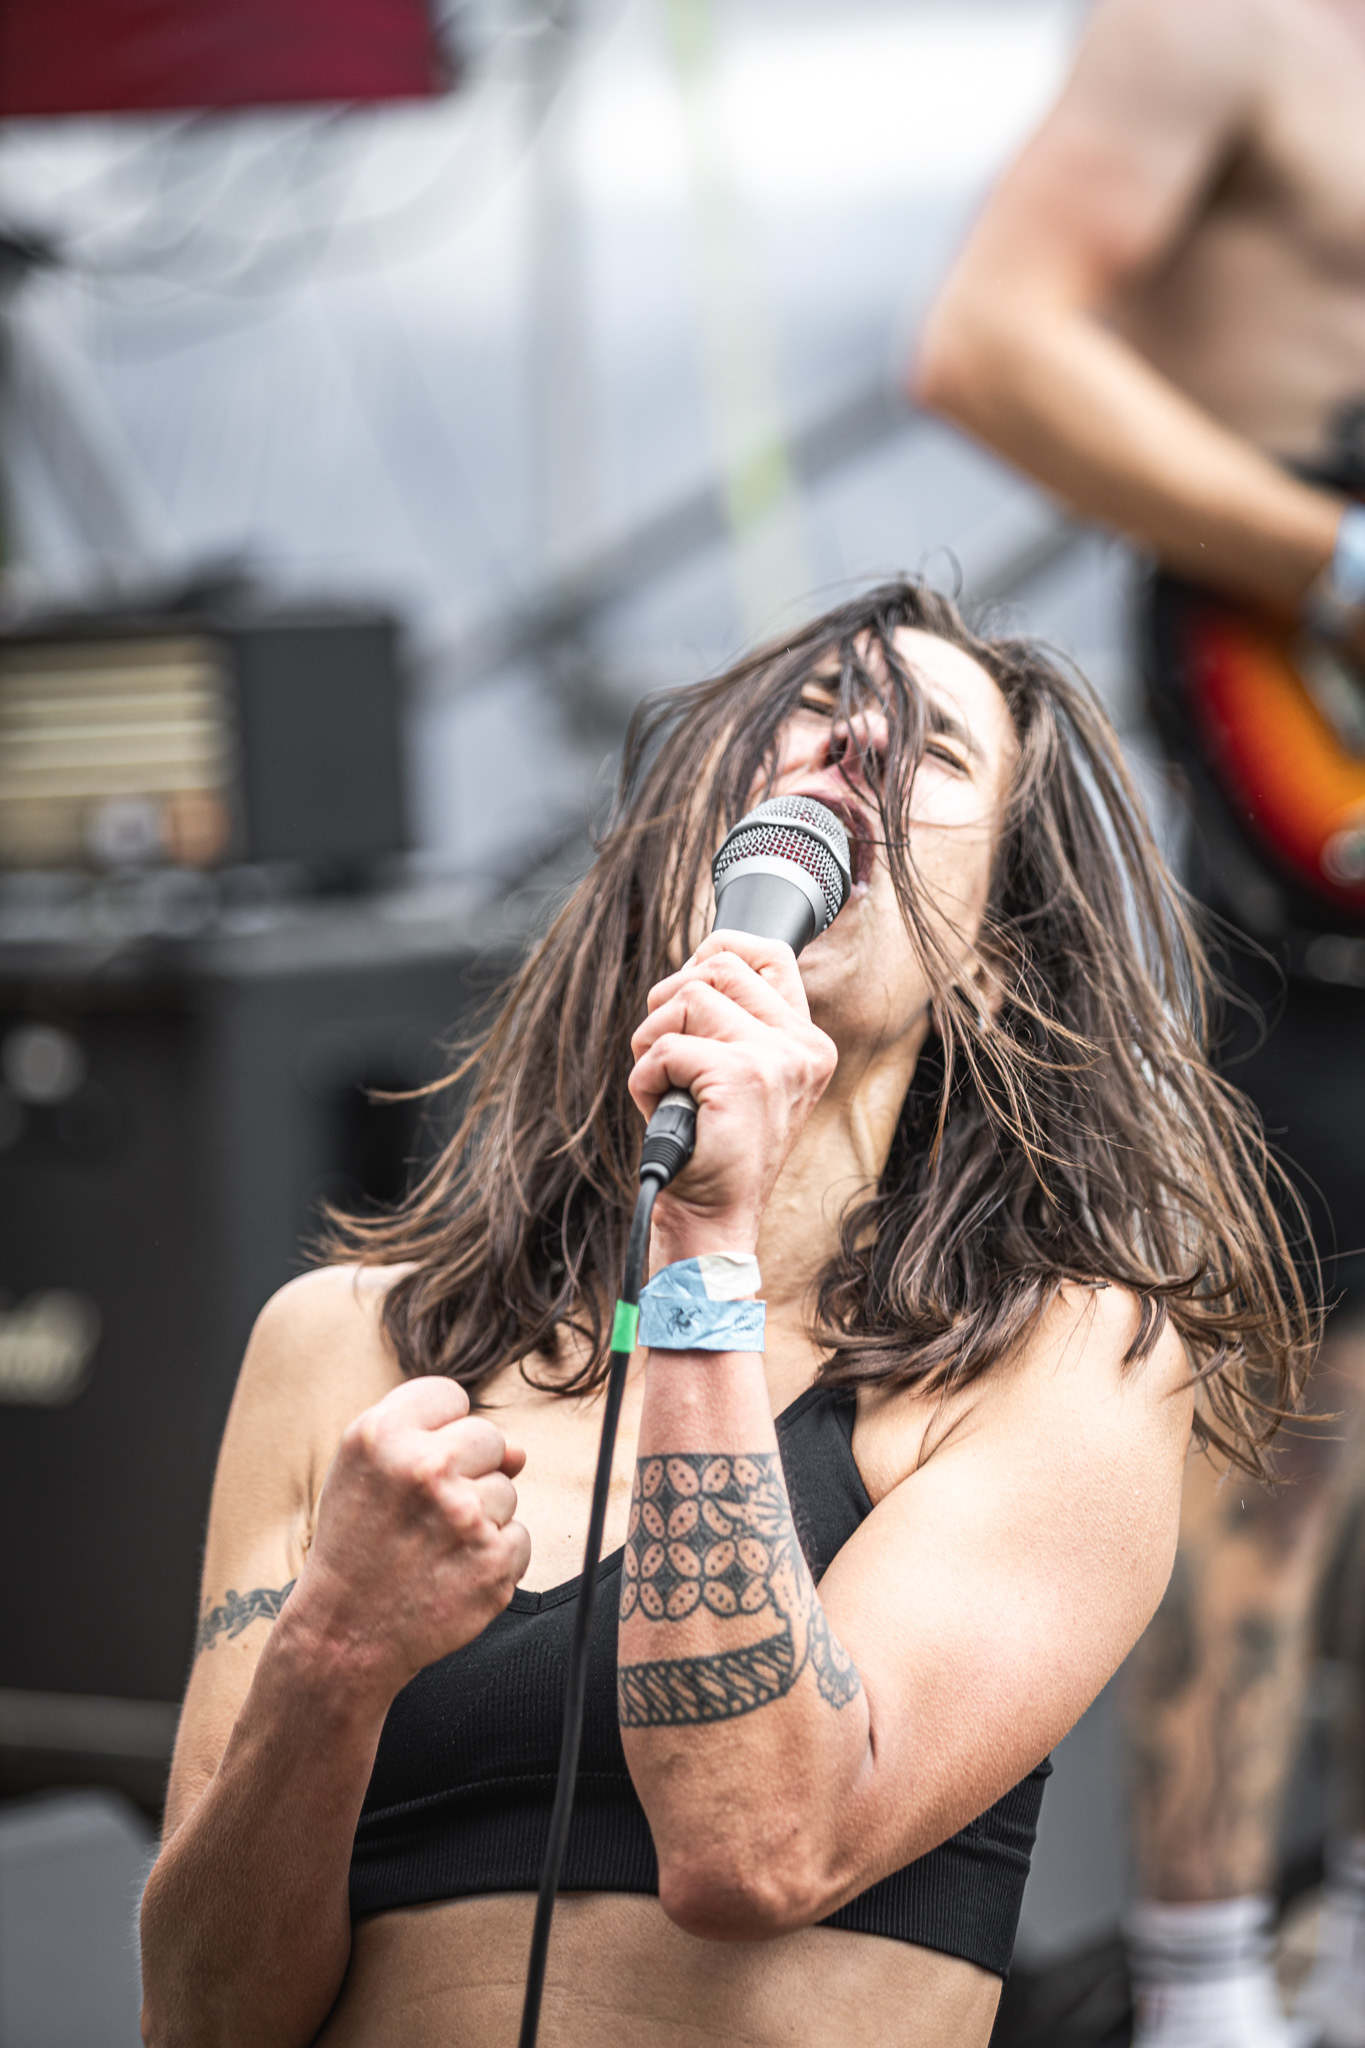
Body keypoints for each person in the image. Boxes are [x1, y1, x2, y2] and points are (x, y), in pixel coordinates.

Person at [138, 582, 1307, 2048]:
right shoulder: (342, 1346)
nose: (852, 745)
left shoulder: (1063, 1360)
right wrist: (331, 1662)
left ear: (991, 971)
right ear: (672, 857)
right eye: (809, 713)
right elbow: (200, 2018)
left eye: (935, 751)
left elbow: (758, 1848)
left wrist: (701, 1249)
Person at [912, 4, 1365, 2044]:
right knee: (1276, 1451)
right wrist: (1332, 556)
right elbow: (985, 344)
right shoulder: (1218, 24)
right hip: (1310, 862)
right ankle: (1201, 1991)